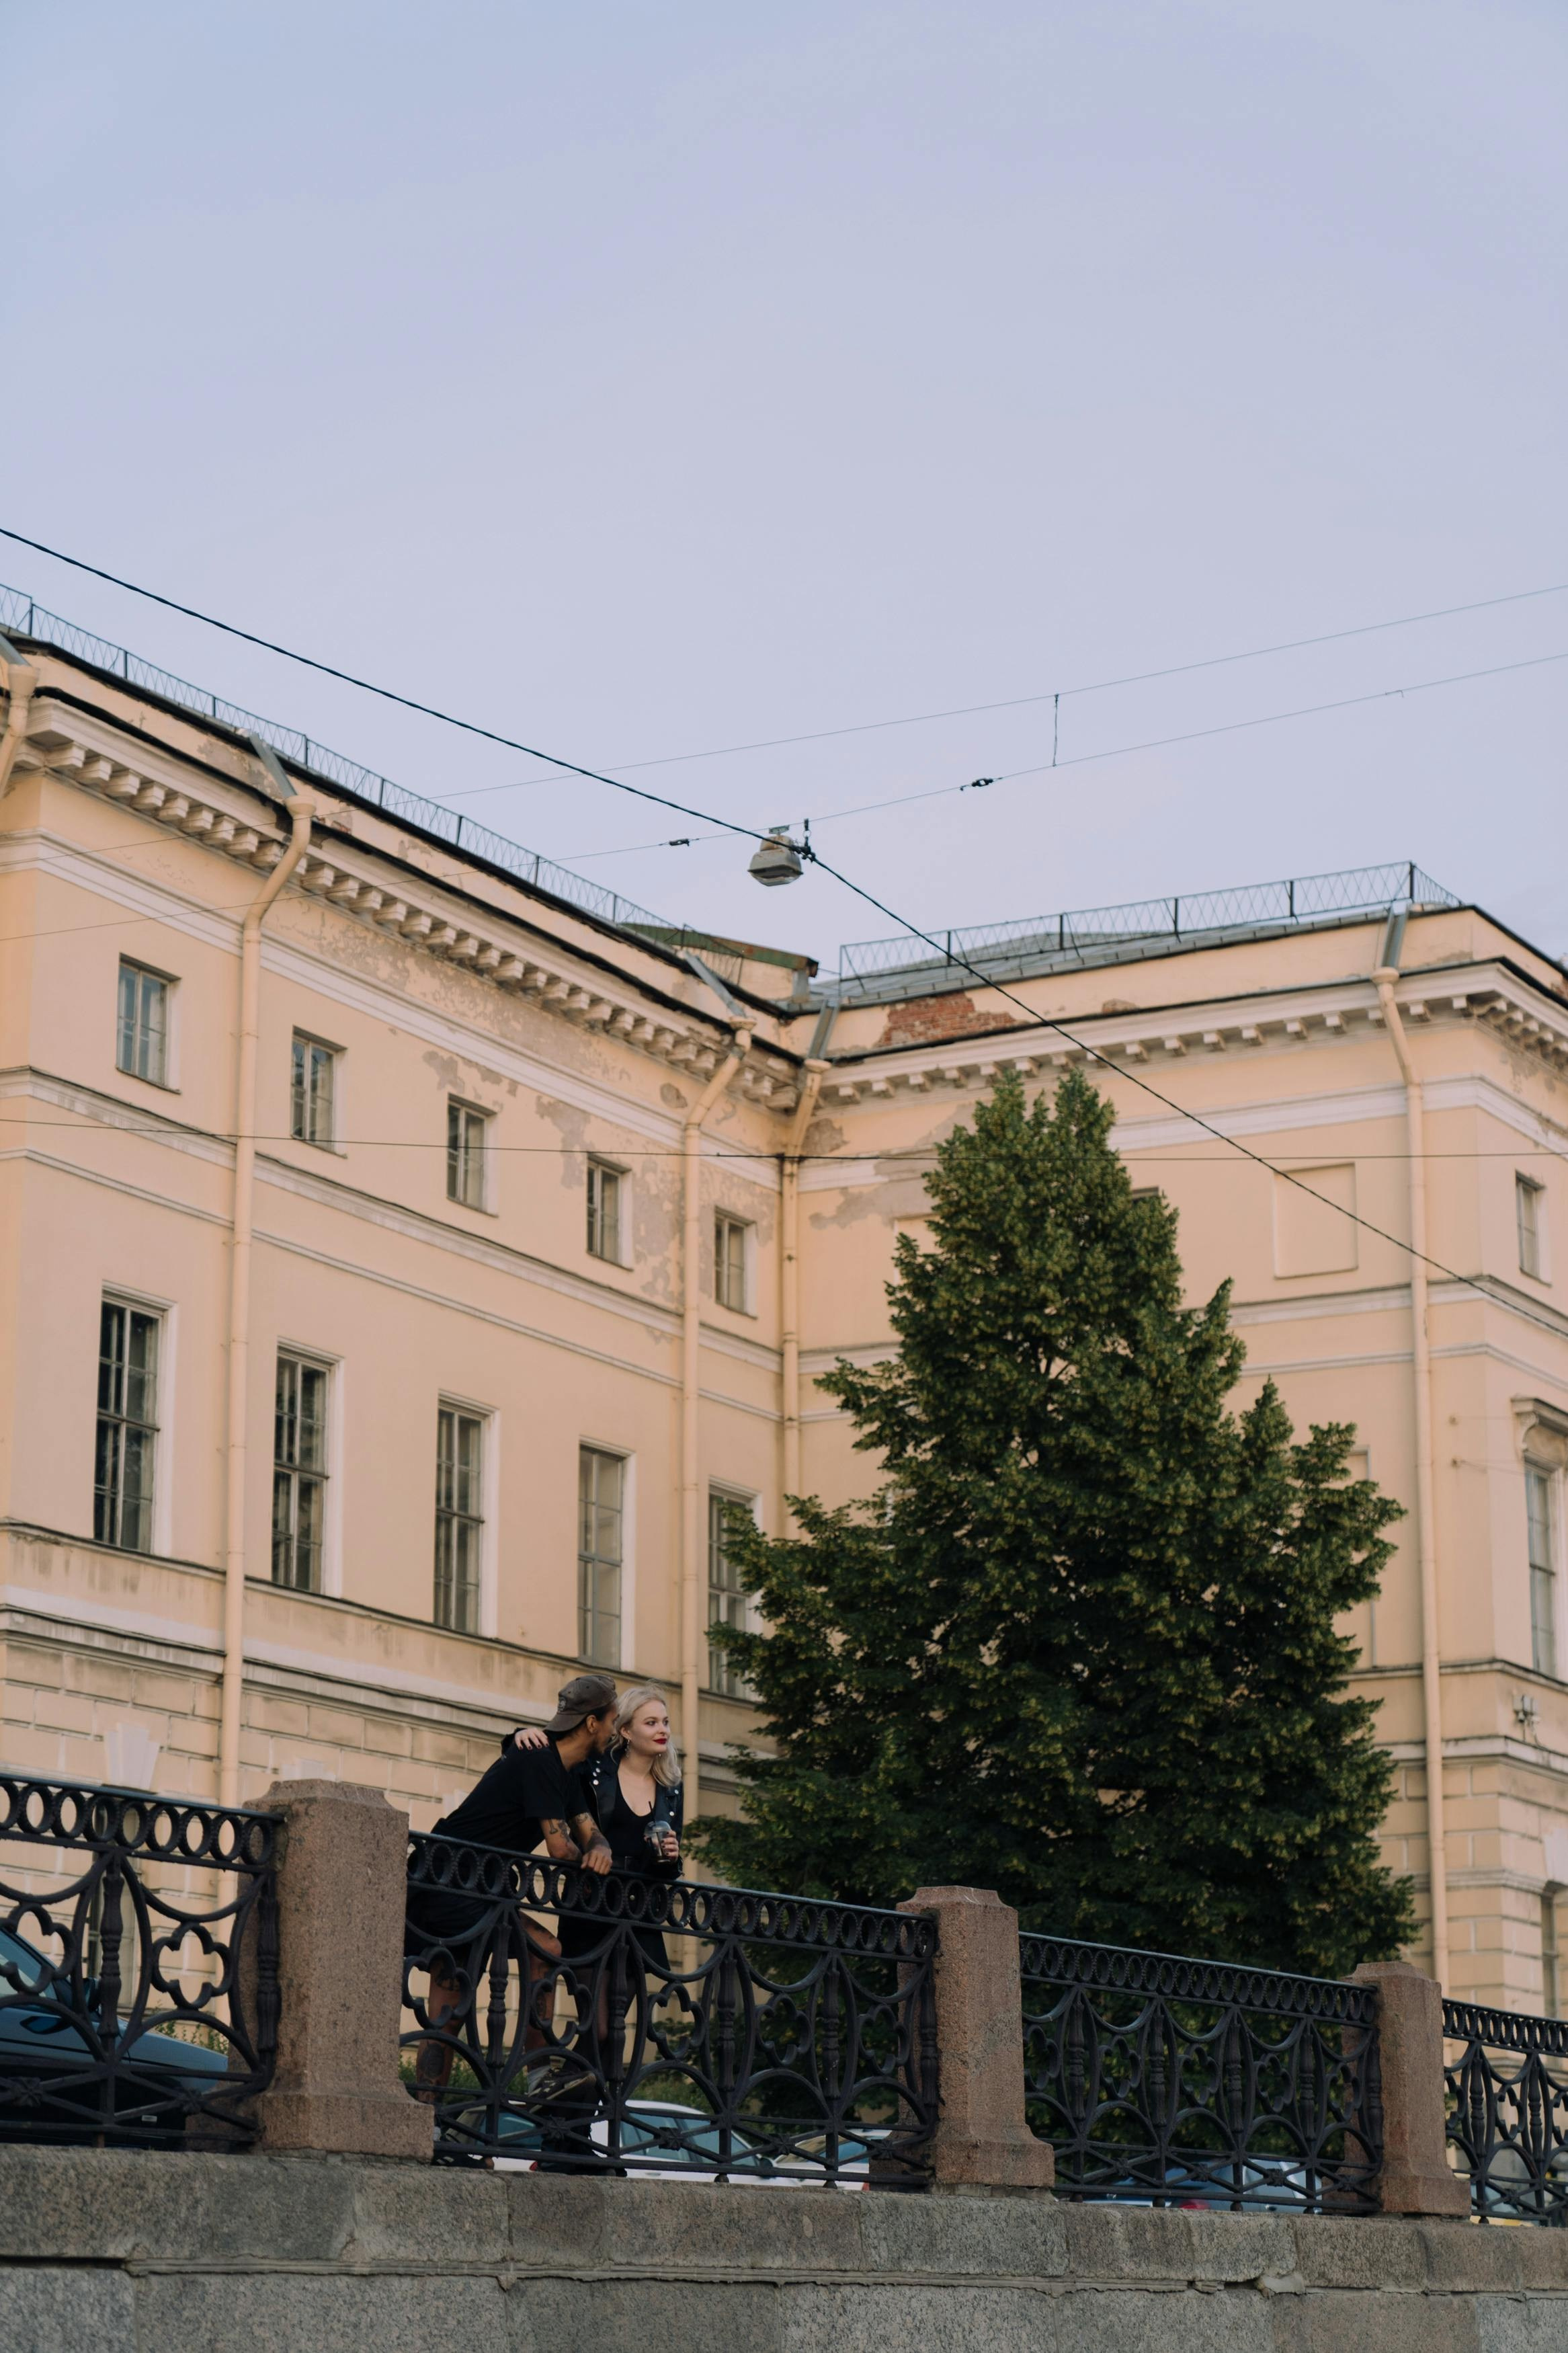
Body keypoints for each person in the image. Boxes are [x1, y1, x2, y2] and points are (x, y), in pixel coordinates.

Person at [406, 1672, 618, 2100]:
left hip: (482, 1887)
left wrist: (601, 1848)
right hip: (449, 1882)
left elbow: (587, 1832)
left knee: (542, 1953)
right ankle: (427, 2121)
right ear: (593, 1723)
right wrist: (585, 1855)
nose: (615, 1730)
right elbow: (560, 1847)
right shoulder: (538, 1760)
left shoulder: (569, 1771)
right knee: (448, 2010)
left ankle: (535, 2078)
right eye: (613, 1720)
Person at [510, 1684, 683, 1968]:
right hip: (592, 1903)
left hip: (639, 1911)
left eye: (665, 1722)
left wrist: (671, 1857)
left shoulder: (671, 1786)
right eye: (651, 1723)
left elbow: (666, 1868)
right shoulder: (594, 1768)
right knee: (596, 2009)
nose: (662, 1730)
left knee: (622, 2008)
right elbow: (555, 1755)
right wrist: (520, 1734)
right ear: (625, 1730)